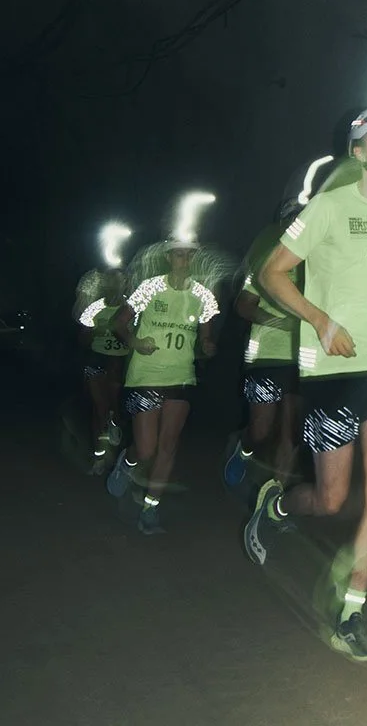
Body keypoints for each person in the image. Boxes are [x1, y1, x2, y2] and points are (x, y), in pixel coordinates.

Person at [244, 107, 367, 661]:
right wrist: (320, 321)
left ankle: (351, 612)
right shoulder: (328, 207)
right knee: (330, 499)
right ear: (358, 153)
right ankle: (278, 506)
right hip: (330, 371)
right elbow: (271, 273)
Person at [105, 240, 219, 534]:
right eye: (179, 254)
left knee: (168, 447)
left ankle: (150, 508)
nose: (185, 259)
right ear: (169, 257)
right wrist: (135, 342)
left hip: (181, 377)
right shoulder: (150, 287)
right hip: (146, 376)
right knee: (146, 449)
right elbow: (119, 323)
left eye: (190, 254)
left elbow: (206, 337)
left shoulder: (203, 295)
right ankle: (127, 462)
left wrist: (208, 345)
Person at [222, 199, 305, 490]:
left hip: (305, 359)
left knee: (291, 431)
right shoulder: (266, 261)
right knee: (260, 430)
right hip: (267, 356)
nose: (298, 226)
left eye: (302, 220)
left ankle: (275, 496)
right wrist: (277, 322)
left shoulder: (318, 264)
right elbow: (243, 305)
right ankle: (244, 450)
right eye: (292, 220)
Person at [77, 268, 130, 473]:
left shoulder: (131, 308)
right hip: (96, 359)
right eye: (112, 281)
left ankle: (115, 421)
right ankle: (99, 456)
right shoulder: (94, 308)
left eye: (120, 281)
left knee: (115, 407)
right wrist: (94, 332)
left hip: (121, 362)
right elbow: (82, 339)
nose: (116, 286)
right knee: (99, 408)